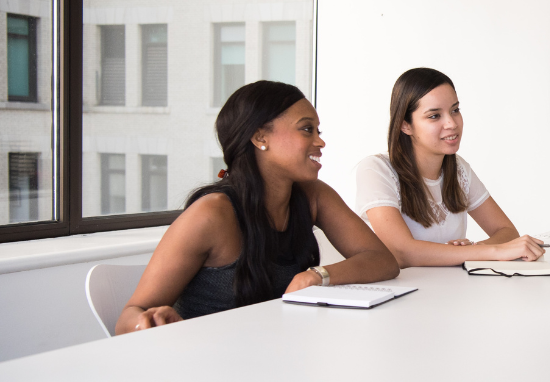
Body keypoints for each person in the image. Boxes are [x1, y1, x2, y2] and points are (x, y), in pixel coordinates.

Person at [116, 81, 400, 335]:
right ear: (260, 137)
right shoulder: (212, 215)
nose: (320, 141)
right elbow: (128, 318)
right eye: (306, 129)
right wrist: (148, 321)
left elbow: (382, 260)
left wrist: (317, 275)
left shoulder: (313, 195)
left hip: (275, 354)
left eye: (318, 130)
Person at [355, 68, 545, 267]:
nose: (452, 123)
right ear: (405, 125)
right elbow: (402, 252)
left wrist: (470, 250)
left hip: (452, 291)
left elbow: (506, 231)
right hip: (403, 294)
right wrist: (482, 252)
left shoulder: (458, 168)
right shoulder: (376, 170)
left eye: (455, 110)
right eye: (434, 116)